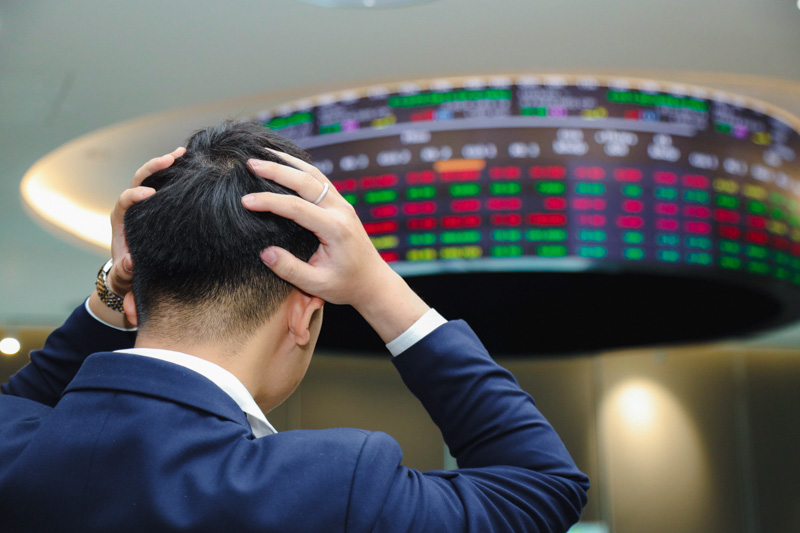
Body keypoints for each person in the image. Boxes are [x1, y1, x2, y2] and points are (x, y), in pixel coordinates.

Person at [0, 122, 588, 532]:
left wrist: (116, 283)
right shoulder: (334, 489)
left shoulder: (15, 447)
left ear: (132, 299)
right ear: (305, 315)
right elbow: (539, 486)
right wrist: (378, 286)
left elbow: (18, 407)